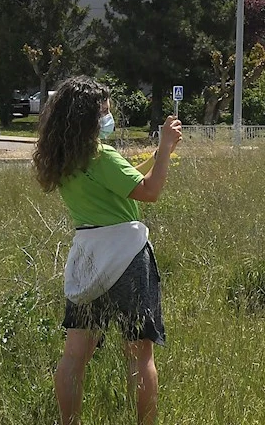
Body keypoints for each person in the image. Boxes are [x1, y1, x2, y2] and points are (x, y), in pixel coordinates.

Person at [31, 76, 182, 425]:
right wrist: (165, 149)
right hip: (128, 255)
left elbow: (125, 182)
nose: (108, 117)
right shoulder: (102, 155)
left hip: (87, 258)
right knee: (138, 355)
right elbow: (149, 191)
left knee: (74, 357)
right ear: (91, 116)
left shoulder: (65, 159)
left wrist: (161, 154)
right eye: (105, 111)